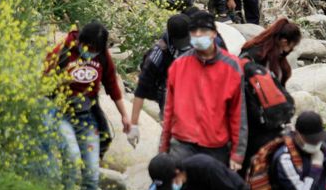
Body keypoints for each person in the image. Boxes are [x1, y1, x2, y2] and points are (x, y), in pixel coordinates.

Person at [45, 21, 131, 190]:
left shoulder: (102, 56)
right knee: (71, 157)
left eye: (95, 49)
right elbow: (45, 80)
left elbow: (112, 86)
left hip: (86, 115)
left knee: (91, 173)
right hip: (61, 112)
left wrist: (124, 115)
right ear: (81, 41)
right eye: (87, 47)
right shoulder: (64, 50)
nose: (90, 51)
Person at [159, 11, 247, 171]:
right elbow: (169, 110)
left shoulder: (231, 66)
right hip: (182, 143)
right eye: (194, 32)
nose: (199, 36)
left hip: (215, 144)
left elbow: (238, 112)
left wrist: (237, 153)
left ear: (214, 33)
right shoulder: (179, 65)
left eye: (203, 31)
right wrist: (163, 147)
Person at [239, 17, 301, 170]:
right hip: (253, 112)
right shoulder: (259, 57)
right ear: (284, 42)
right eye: (292, 45)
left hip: (264, 111)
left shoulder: (269, 52)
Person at [127, 14, 192, 147]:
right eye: (183, 41)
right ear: (174, 39)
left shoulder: (192, 38)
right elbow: (141, 89)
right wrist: (134, 124)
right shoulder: (157, 55)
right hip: (163, 89)